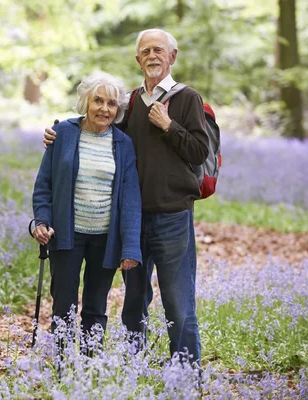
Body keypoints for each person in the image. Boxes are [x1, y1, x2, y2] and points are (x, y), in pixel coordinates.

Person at [43, 29, 209, 366]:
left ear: (172, 57)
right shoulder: (131, 102)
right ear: (138, 59)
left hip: (172, 215)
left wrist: (168, 125)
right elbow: (98, 125)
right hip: (131, 221)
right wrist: (59, 133)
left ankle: (187, 376)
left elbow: (199, 151)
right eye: (145, 51)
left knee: (178, 302)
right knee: (134, 300)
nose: (152, 56)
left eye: (159, 50)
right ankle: (136, 369)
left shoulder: (187, 98)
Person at [32, 71, 142, 344]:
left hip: (104, 239)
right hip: (66, 235)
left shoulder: (123, 144)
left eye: (111, 104)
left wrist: (129, 247)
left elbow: (130, 200)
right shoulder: (62, 133)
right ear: (86, 102)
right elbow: (44, 185)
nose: (104, 109)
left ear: (118, 110)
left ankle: (90, 366)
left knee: (96, 308)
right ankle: (62, 366)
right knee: (64, 305)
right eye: (98, 101)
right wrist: (41, 221)